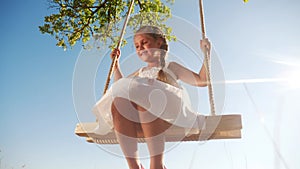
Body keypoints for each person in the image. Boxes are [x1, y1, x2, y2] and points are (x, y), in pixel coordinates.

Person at [92, 26, 211, 169]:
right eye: (136, 46)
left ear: (159, 42)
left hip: (170, 110)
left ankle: (157, 164)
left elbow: (202, 80)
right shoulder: (141, 72)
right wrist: (116, 65)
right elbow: (121, 87)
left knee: (148, 96)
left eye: (144, 42)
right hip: (143, 114)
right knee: (119, 101)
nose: (140, 48)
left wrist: (206, 55)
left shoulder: (171, 67)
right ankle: (134, 166)